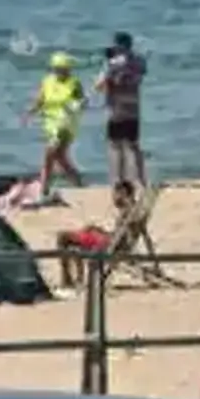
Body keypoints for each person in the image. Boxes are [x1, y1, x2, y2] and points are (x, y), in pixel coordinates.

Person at [54, 181, 135, 289]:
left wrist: (100, 234)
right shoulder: (132, 209)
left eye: (115, 194)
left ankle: (67, 280)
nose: (113, 198)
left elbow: (117, 239)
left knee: (62, 237)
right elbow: (119, 235)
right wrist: (99, 230)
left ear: (123, 193)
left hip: (105, 244)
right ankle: (74, 278)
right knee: (86, 229)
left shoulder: (127, 210)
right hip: (110, 241)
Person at [27, 52, 86, 195]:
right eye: (58, 68)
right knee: (59, 156)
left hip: (67, 122)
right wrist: (31, 112)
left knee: (49, 153)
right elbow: (40, 99)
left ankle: (44, 189)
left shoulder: (74, 83)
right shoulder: (47, 81)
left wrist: (76, 105)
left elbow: (83, 101)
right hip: (50, 122)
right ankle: (78, 182)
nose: (61, 71)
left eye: (64, 68)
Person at [95, 32, 147, 188]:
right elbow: (141, 73)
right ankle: (140, 179)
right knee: (134, 145)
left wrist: (109, 66)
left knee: (115, 146)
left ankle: (118, 179)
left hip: (116, 110)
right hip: (133, 109)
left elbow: (99, 85)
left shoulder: (113, 64)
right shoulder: (138, 61)